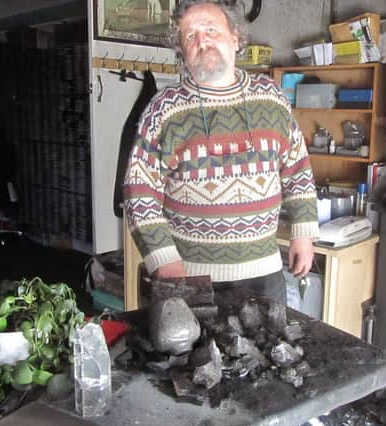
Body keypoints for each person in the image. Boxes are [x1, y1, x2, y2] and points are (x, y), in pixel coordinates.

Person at [123, 0, 319, 304]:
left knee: (269, 351)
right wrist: (164, 259)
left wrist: (303, 233)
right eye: (190, 36)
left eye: (211, 29)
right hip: (189, 278)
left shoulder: (272, 97)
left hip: (264, 276)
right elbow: (139, 191)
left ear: (236, 38)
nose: (202, 41)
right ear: (182, 52)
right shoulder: (163, 110)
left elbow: (298, 170)